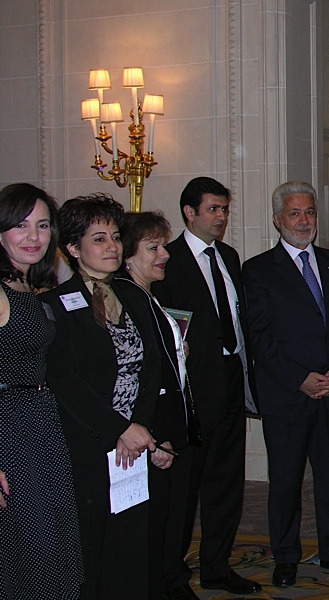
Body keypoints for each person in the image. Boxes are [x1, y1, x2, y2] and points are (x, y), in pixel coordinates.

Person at [243, 181, 329, 586]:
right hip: (287, 396)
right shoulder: (258, 270)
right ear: (277, 220)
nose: (303, 221)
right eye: (294, 213)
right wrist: (300, 379)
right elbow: (259, 338)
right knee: (285, 480)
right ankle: (285, 556)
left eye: (310, 212)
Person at [41, 193, 163, 598]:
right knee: (90, 549)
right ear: (73, 249)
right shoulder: (54, 305)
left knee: (130, 547)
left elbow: (152, 367)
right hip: (88, 446)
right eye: (99, 239)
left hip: (134, 443)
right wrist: (118, 430)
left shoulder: (133, 296)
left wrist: (139, 426)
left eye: (115, 237)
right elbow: (65, 381)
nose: (112, 246)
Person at [151, 177, 261, 596]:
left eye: (224, 209)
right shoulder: (168, 259)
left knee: (226, 482)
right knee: (184, 488)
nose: (221, 217)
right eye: (213, 209)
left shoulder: (229, 257)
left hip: (231, 383)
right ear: (189, 212)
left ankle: (217, 567)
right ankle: (172, 575)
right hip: (192, 392)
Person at [0, 183, 84, 598]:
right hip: (9, 429)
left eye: (43, 225)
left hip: (38, 423)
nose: (34, 236)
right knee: (28, 548)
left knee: (49, 542)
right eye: (20, 225)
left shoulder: (24, 287)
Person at [120, 211, 196, 599]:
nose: (164, 254)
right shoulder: (129, 298)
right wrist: (160, 436)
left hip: (167, 428)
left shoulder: (148, 296)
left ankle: (170, 581)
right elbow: (142, 380)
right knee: (154, 526)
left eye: (163, 246)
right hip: (153, 435)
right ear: (128, 255)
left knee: (170, 519)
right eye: (153, 248)